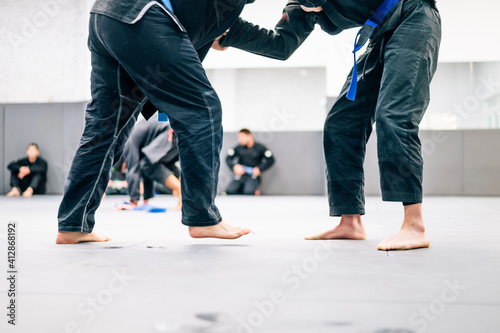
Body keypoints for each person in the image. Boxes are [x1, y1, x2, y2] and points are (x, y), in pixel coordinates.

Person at [216, 0, 441, 250]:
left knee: (394, 116)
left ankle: (414, 225)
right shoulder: (297, 6)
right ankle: (350, 221)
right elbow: (281, 44)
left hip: (413, 17)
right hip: (380, 34)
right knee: (340, 124)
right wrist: (228, 34)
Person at [55, 0, 254, 244]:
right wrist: (312, 6)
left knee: (104, 126)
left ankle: (73, 224)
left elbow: (278, 45)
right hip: (142, 15)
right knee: (202, 108)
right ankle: (203, 217)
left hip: (103, 15)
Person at [118, 120, 182, 210]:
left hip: (170, 133)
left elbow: (133, 169)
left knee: (146, 165)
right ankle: (184, 199)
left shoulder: (128, 139)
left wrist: (133, 202)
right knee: (150, 163)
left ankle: (180, 190)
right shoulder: (134, 132)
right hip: (178, 133)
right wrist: (145, 203)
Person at [226, 128, 274, 195]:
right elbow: (228, 158)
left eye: (242, 137)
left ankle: (254, 189)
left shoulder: (259, 147)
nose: (240, 140)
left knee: (249, 192)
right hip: (241, 175)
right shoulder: (239, 148)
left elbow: (270, 159)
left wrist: (259, 169)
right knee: (230, 191)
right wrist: (234, 167)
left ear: (249, 136)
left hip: (253, 176)